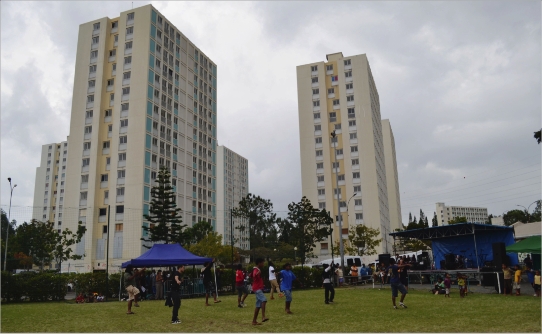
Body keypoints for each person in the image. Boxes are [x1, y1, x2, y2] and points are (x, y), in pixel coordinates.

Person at [250, 258, 269, 325]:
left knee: (258, 305)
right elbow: (254, 274)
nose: (263, 264)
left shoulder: (255, 269)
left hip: (257, 288)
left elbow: (250, 275)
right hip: (257, 288)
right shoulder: (256, 269)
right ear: (259, 263)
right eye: (263, 263)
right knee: (264, 300)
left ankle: (254, 321)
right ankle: (263, 316)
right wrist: (257, 273)